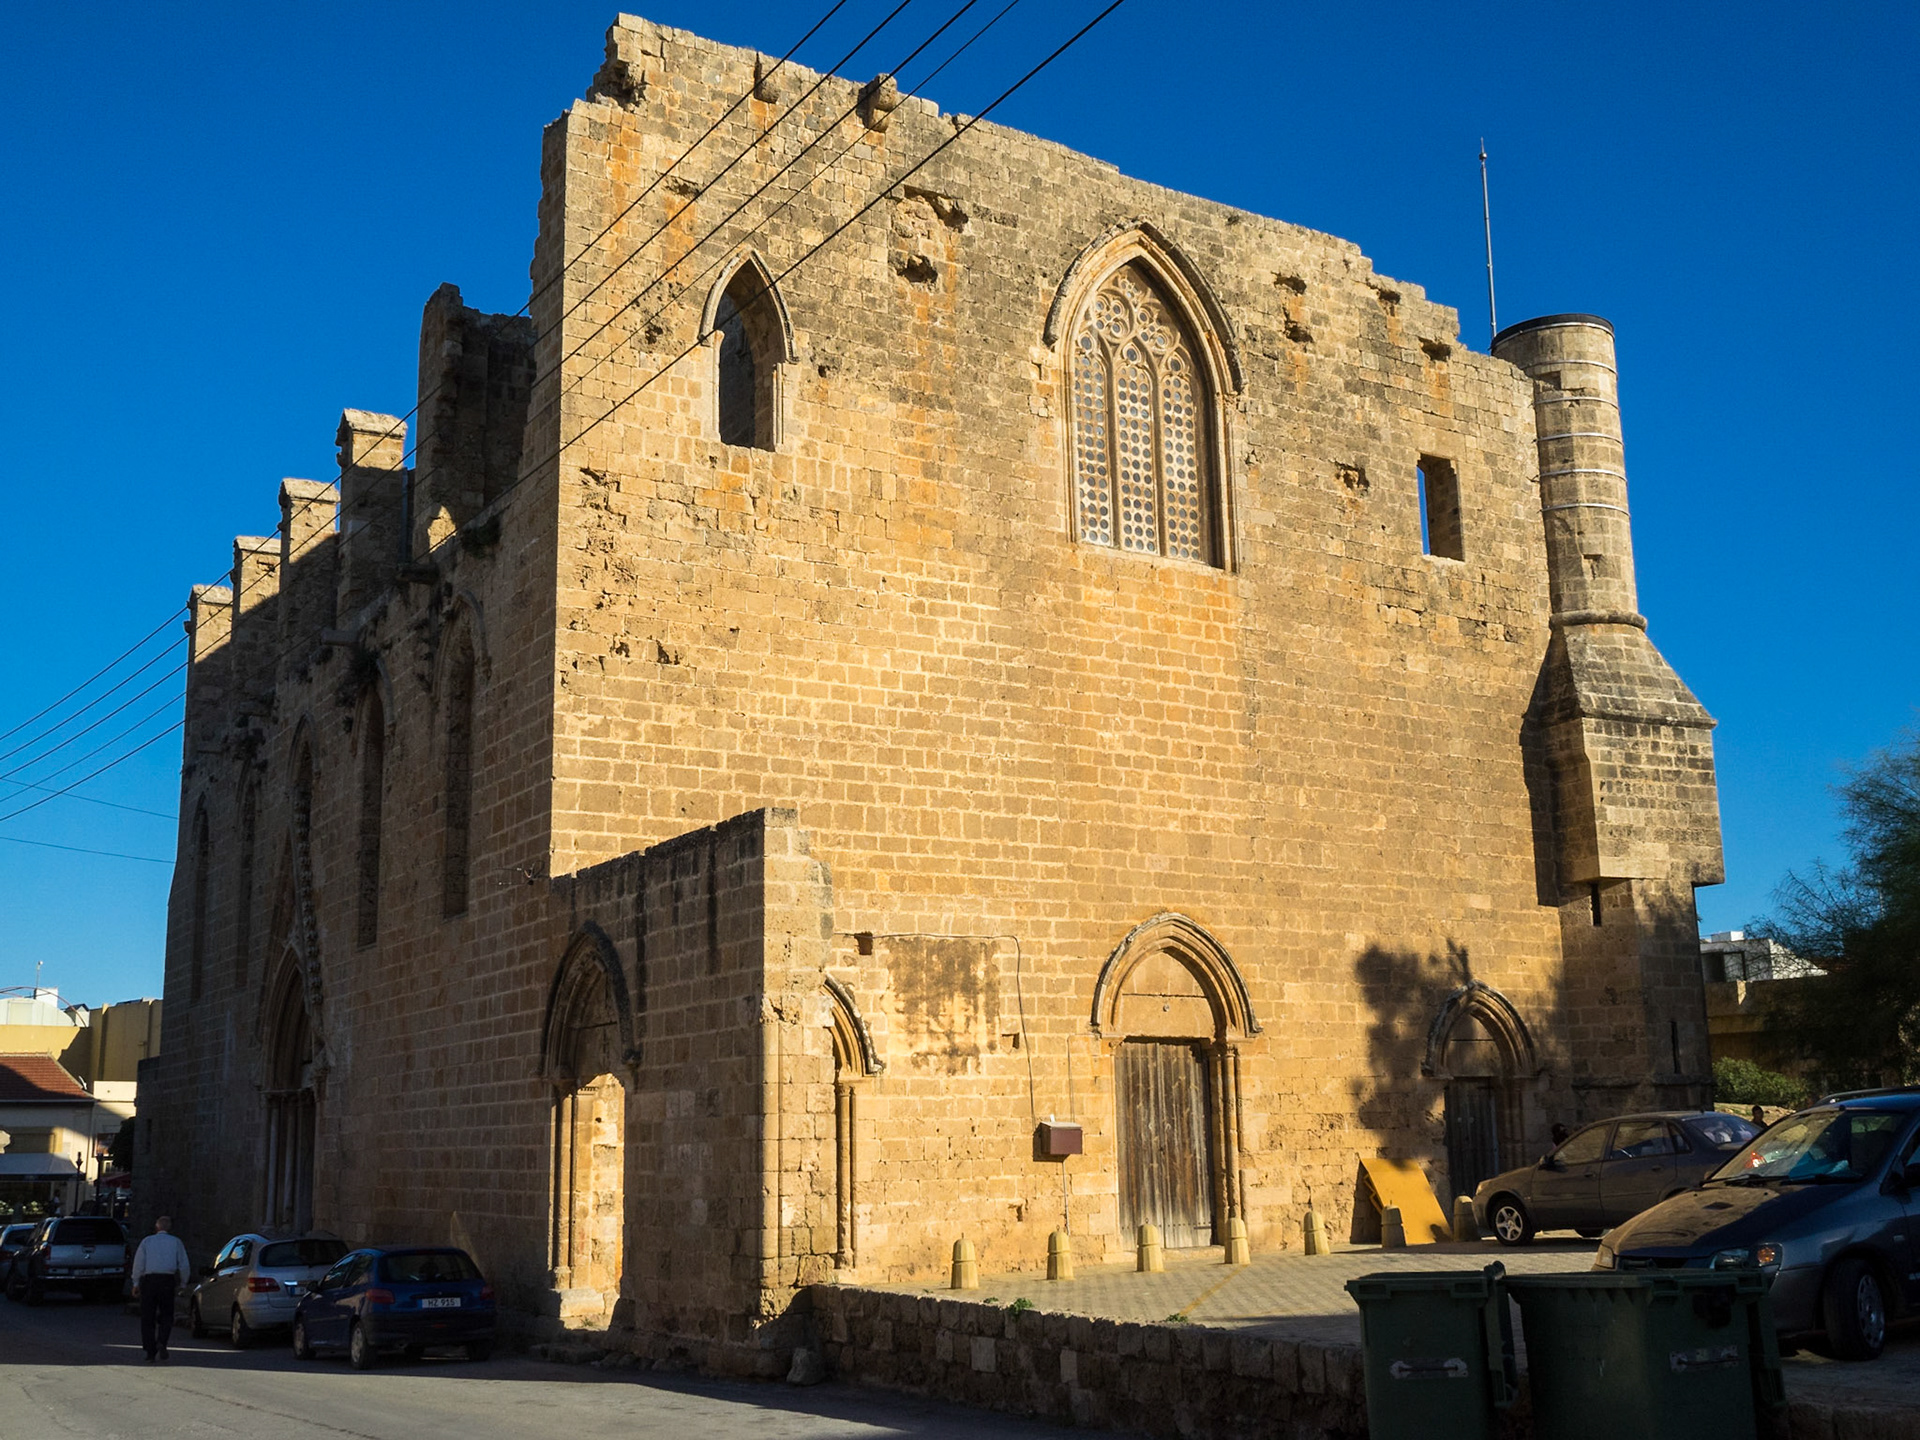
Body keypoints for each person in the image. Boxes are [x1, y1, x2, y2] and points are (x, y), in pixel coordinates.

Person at [129, 1215, 192, 1363]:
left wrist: (136, 1283)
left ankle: (150, 1351)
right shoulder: (176, 1242)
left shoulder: (147, 1241)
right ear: (169, 1228)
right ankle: (162, 1341)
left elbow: (139, 1263)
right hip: (167, 1280)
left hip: (150, 1281)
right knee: (167, 1314)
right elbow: (184, 1265)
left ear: (157, 1227)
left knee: (147, 1316)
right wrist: (183, 1284)